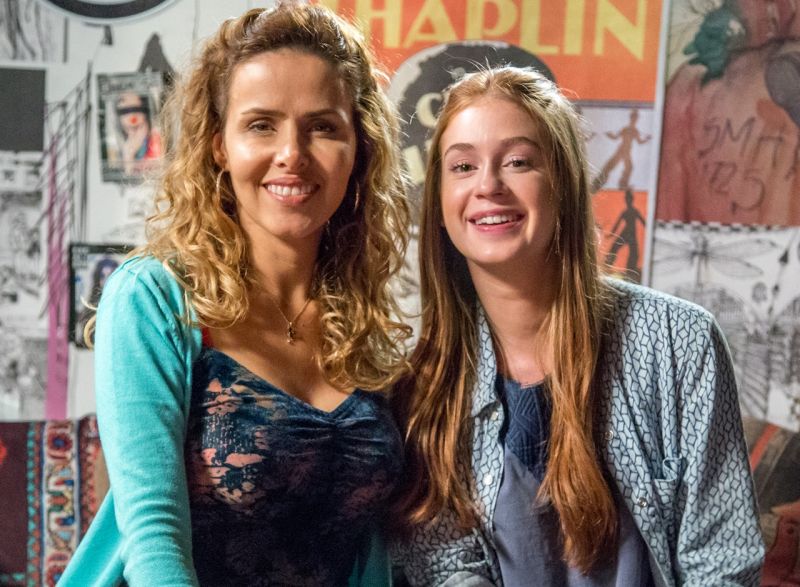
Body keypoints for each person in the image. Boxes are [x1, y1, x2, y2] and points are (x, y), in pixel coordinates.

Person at [60, 3, 410, 586]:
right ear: (219, 144)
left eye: (323, 126)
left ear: (359, 148)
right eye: (261, 125)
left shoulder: (362, 326)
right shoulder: (154, 298)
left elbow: (368, 547)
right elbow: (153, 540)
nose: (292, 153)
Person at [391, 67, 764, 586]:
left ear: (563, 185)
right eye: (463, 166)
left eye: (518, 161)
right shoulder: (425, 382)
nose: (488, 185)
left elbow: (722, 563)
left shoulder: (679, 342)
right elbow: (448, 568)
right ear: (438, 203)